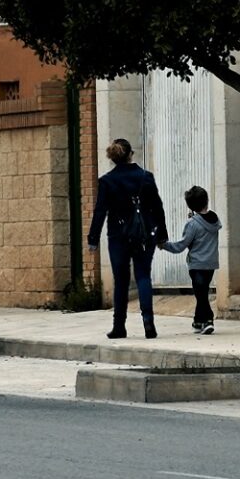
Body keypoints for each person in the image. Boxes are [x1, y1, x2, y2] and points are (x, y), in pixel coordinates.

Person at [87, 139, 168, 339]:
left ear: (113, 157)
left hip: (118, 236)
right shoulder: (145, 177)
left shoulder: (107, 181)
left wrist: (93, 238)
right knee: (143, 276)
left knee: (121, 281)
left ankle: (119, 326)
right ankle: (148, 322)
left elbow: (100, 211)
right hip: (144, 234)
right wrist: (162, 235)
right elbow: (157, 207)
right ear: (131, 154)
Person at [160, 185, 222, 335]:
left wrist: (163, 245)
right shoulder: (215, 219)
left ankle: (208, 320)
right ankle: (198, 321)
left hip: (197, 264)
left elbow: (181, 246)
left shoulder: (192, 224)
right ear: (206, 200)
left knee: (201, 295)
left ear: (190, 205)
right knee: (202, 292)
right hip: (211, 263)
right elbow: (204, 224)